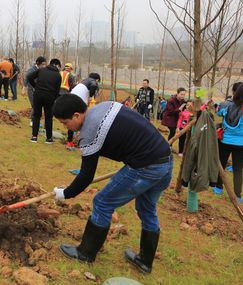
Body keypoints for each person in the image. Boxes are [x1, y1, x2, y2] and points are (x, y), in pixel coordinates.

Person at [52, 94, 172, 274]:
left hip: (145, 166)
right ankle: (145, 262)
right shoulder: (104, 106)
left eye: (64, 123)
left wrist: (65, 193)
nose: (65, 127)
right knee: (147, 209)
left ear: (76, 115)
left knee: (102, 202)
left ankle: (85, 253)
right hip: (165, 161)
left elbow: (86, 176)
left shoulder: (90, 131)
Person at [214, 82, 243, 203]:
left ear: (233, 91)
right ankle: (237, 195)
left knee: (222, 164)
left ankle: (218, 188)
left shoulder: (225, 104)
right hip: (242, 143)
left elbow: (218, 113)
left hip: (225, 140)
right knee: (238, 169)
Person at [26, 58, 62, 144]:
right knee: (48, 117)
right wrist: (54, 98)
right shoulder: (58, 75)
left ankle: (34, 137)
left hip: (38, 95)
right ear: (57, 65)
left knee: (36, 115)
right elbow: (57, 91)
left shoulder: (41, 70)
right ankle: (48, 139)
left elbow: (29, 76)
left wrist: (35, 86)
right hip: (49, 97)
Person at [65, 72, 101, 150]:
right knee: (84, 120)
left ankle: (69, 141)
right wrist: (91, 96)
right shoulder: (93, 81)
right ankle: (83, 142)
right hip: (78, 100)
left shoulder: (83, 81)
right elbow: (94, 85)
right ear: (97, 79)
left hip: (71, 97)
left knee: (71, 119)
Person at [22, 56, 47, 126]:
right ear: (38, 63)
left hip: (38, 90)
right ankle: (32, 121)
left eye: (45, 64)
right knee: (35, 105)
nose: (44, 66)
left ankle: (35, 120)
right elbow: (27, 77)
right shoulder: (32, 69)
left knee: (37, 106)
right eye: (43, 64)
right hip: (31, 90)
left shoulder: (42, 70)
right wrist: (24, 87)